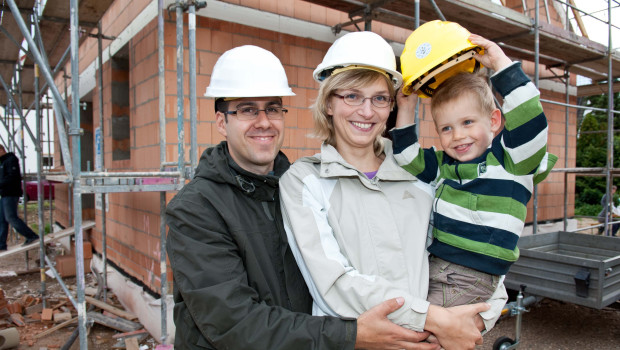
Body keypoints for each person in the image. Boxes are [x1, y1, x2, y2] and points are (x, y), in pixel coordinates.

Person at [165, 45, 438, 350]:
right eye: (246, 109)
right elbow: (234, 323)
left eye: (272, 108)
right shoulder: (195, 209)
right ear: (220, 122)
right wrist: (351, 335)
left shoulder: (295, 184)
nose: (264, 121)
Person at [280, 31, 507, 350]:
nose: (367, 111)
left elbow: (482, 244)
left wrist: (475, 319)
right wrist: (432, 320)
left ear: (391, 106)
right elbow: (334, 283)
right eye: (352, 96)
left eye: (379, 98)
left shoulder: (424, 171)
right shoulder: (305, 181)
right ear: (329, 103)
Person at [392, 22, 558, 309]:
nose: (457, 136)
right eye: (446, 128)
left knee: (420, 330)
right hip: (437, 266)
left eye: (468, 122)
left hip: (470, 278)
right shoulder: (445, 164)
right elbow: (407, 156)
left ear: (493, 121)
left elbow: (529, 120)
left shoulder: (510, 161)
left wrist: (500, 63)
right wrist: (406, 109)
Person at [0, 145, 39, 251]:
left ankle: (31, 236)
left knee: (11, 217)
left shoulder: (11, 160)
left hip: (11, 194)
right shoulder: (3, 162)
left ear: (2, 150)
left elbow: (12, 177)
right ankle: (1, 245)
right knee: (2, 220)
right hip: (4, 195)